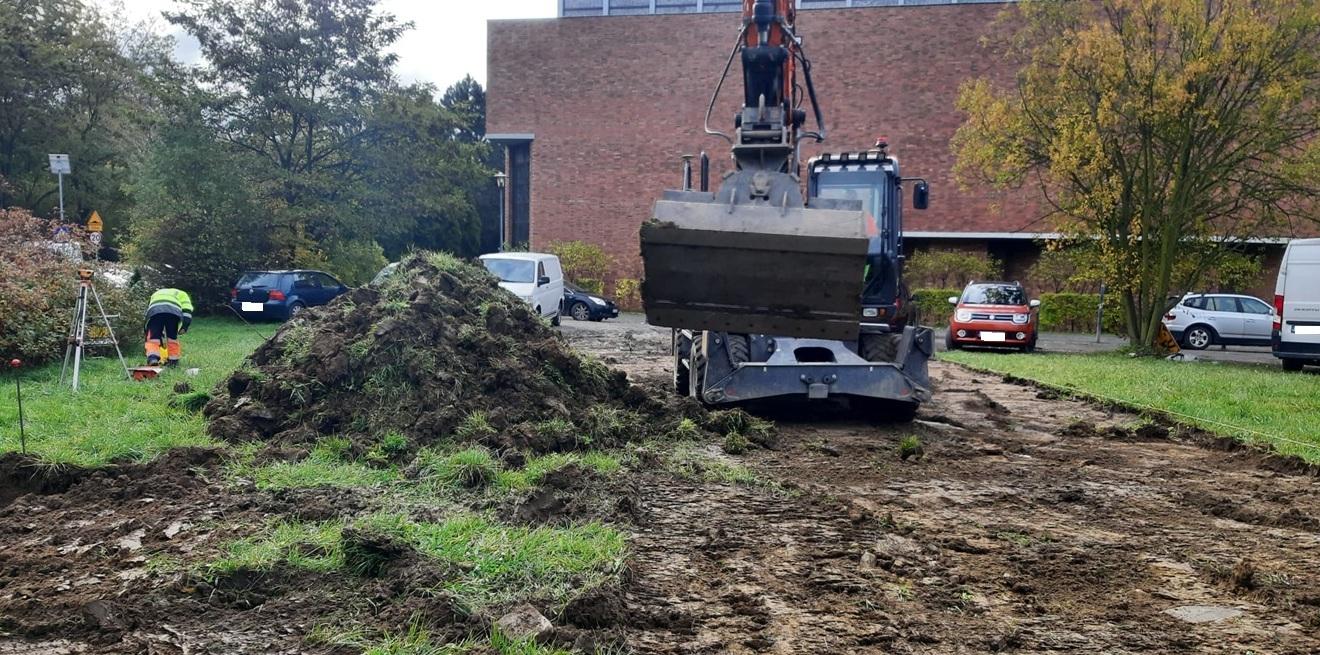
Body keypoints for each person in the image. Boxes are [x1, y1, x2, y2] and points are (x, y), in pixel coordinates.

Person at [144, 288, 193, 366]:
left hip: (155, 311)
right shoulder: (182, 294)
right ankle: (173, 361)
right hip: (173, 312)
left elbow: (148, 310)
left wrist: (147, 329)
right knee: (172, 338)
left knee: (153, 338)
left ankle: (153, 358)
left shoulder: (156, 293)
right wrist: (185, 326)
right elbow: (187, 311)